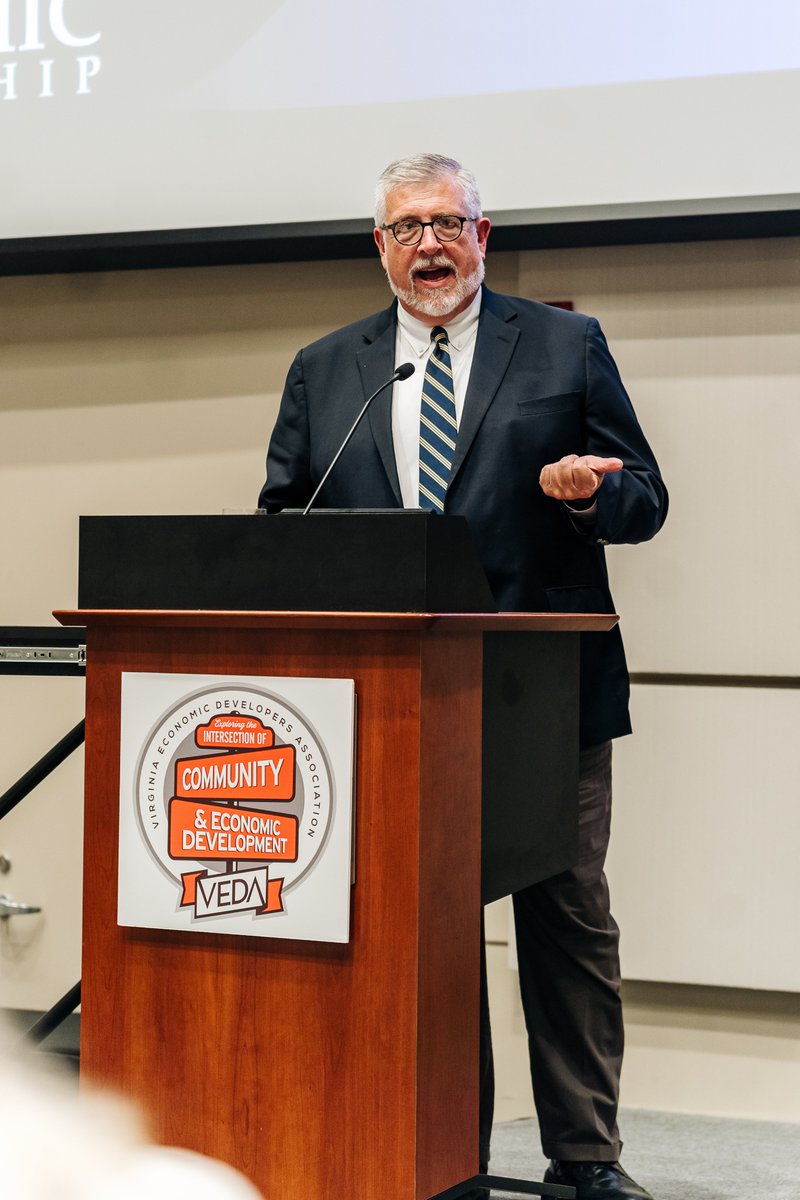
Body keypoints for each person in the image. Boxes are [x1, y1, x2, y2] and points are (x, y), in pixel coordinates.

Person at [259, 153, 667, 1200]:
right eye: (406, 228)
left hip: (543, 694)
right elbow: (278, 526)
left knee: (564, 921)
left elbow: (643, 499)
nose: (428, 245)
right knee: (423, 932)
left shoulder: (564, 345)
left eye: (448, 223)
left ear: (482, 237)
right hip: (389, 704)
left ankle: (584, 1158)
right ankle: (448, 1153)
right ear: (379, 247)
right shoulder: (328, 368)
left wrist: (587, 494)